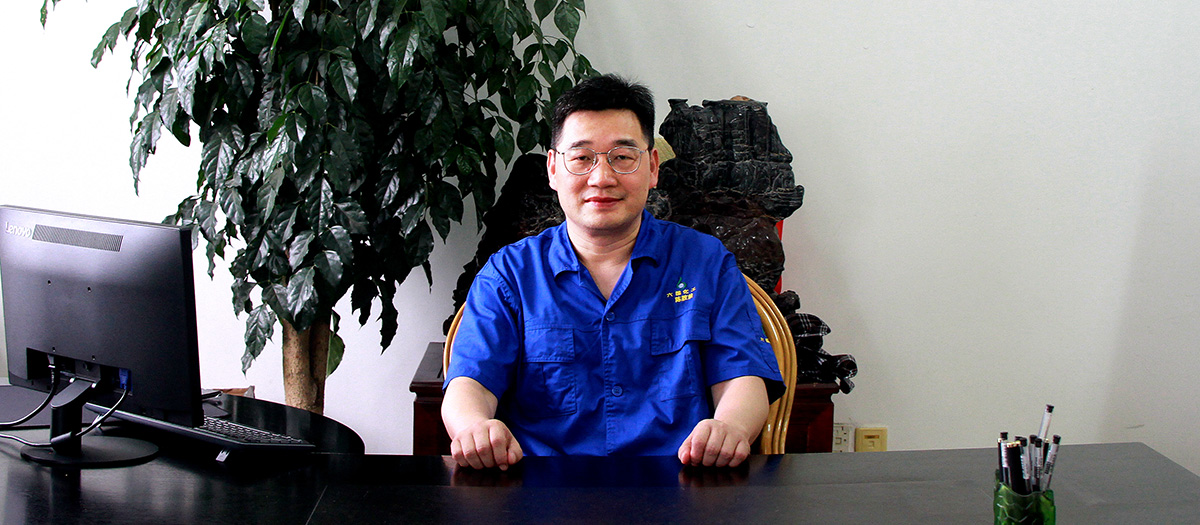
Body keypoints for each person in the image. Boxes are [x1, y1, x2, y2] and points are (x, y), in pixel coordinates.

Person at [442, 74, 784, 470]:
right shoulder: (510, 274)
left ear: (652, 167)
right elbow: (471, 382)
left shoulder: (705, 262)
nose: (601, 178)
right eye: (581, 158)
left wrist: (730, 427)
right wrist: (474, 427)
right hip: (542, 488)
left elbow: (742, 376)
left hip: (679, 482)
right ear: (553, 169)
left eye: (622, 157)